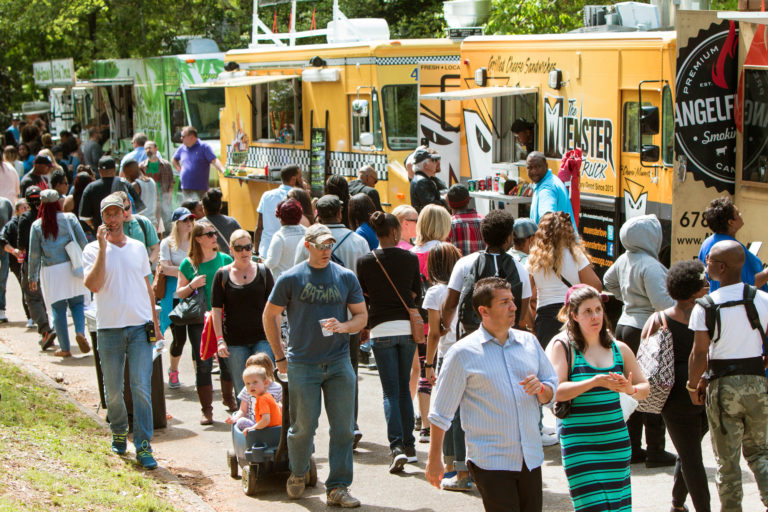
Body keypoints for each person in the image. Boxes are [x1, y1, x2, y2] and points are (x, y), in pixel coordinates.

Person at [426, 277, 558, 512]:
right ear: (483, 311)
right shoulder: (462, 353)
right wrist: (434, 459)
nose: (514, 307)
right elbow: (440, 412)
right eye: (505, 302)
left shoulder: (529, 342)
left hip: (530, 457)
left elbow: (551, 388)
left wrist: (542, 389)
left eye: (513, 301)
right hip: (491, 460)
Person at [263, 223, 367, 507]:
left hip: (338, 362)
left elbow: (361, 316)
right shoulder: (291, 278)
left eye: (329, 245)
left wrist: (344, 326)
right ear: (307, 245)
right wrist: (280, 356)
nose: (326, 251)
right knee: (303, 427)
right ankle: (298, 472)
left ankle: (338, 487)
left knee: (344, 429)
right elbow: (269, 316)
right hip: (302, 364)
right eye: (320, 245)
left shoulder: (345, 277)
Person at [547, 284, 649, 512]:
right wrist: (594, 382)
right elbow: (556, 391)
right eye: (587, 311)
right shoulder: (563, 346)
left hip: (615, 442)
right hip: (579, 444)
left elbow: (644, 387)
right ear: (574, 315)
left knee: (617, 507)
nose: (595, 316)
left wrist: (628, 389)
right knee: (592, 507)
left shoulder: (619, 348)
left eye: (598, 310)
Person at [82, 193, 162, 470]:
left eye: (117, 213)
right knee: (113, 391)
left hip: (140, 328)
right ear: (102, 219)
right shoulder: (92, 250)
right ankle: (118, 429)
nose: (112, 219)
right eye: (107, 215)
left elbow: (147, 286)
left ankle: (143, 445)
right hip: (109, 329)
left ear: (125, 215)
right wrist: (104, 249)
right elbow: (93, 285)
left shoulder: (138, 247)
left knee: (141, 388)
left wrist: (156, 324)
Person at [688, 240, 768, 512]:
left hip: (722, 388)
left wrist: (692, 385)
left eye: (709, 260)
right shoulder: (763, 299)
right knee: (760, 453)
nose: (705, 264)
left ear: (721, 268)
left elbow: (699, 354)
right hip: (757, 383)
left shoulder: (706, 306)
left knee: (727, 462)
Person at [293, 194, 370, 446]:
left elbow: (297, 279)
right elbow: (365, 282)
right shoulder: (357, 241)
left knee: (312, 375)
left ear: (317, 213)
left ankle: (310, 430)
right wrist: (363, 320)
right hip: (348, 320)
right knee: (348, 373)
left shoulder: (306, 244)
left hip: (313, 323)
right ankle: (350, 423)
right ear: (340, 213)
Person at [604, 213, 676, 466]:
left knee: (631, 388)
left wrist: (627, 299)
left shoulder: (625, 259)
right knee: (654, 387)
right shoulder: (651, 265)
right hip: (646, 330)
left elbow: (607, 281)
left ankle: (634, 447)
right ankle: (656, 449)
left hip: (624, 326)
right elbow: (663, 303)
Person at [641, 260, 711, 512]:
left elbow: (646, 354)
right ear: (695, 291)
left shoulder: (659, 319)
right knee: (691, 456)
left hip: (673, 397)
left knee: (688, 451)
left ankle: (677, 504)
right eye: (704, 284)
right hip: (704, 390)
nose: (708, 286)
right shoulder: (708, 316)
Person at [356, 212, 422, 473]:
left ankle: (395, 447)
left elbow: (363, 295)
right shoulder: (410, 258)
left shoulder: (365, 261)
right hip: (406, 327)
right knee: (405, 389)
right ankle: (409, 445)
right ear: (395, 232)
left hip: (380, 329)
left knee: (389, 391)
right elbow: (416, 291)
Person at [176, 219, 234, 424]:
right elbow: (179, 292)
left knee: (227, 361)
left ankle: (229, 399)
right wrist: (192, 285)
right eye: (209, 234)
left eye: (214, 233)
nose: (214, 237)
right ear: (198, 239)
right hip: (199, 320)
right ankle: (206, 410)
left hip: (223, 317)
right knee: (203, 364)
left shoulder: (225, 259)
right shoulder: (188, 263)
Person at [422, 241, 467, 491]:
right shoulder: (465, 287)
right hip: (469, 351)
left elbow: (434, 334)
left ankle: (456, 470)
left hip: (447, 355)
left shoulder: (435, 293)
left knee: (446, 412)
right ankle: (461, 468)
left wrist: (428, 364)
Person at [212, 229, 275, 398]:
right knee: (244, 390)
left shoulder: (263, 271)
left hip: (263, 337)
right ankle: (246, 422)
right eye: (239, 248)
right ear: (231, 250)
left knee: (266, 385)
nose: (244, 252)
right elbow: (216, 311)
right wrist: (220, 341)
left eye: (247, 247)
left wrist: (278, 338)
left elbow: (273, 308)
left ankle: (268, 423)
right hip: (235, 341)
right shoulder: (222, 275)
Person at [27, 189, 90, 357]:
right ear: (58, 202)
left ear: (41, 204)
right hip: (73, 267)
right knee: (77, 304)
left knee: (58, 309)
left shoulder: (37, 225)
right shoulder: (70, 218)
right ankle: (80, 332)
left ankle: (65, 348)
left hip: (51, 271)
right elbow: (83, 242)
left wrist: (32, 277)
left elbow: (34, 254)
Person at [409, 203, 452, 442]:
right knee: (435, 373)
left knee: (420, 371)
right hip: (440, 322)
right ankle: (431, 425)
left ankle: (422, 420)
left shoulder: (411, 254)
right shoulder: (446, 251)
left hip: (415, 321)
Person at [527, 211, 601, 348]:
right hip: (572, 313)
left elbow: (525, 294)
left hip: (545, 319)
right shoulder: (575, 255)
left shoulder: (534, 258)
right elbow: (596, 286)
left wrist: (531, 323)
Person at [698, 196, 768, 291]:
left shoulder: (707, 243)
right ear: (731, 222)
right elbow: (750, 285)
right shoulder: (733, 248)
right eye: (738, 213)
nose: (741, 214)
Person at [158, 207, 194, 388]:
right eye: (185, 221)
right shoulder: (167, 243)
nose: (189, 224)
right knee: (180, 338)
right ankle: (173, 370)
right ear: (177, 223)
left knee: (196, 338)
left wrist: (177, 269)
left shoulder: (197, 241)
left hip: (195, 296)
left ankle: (201, 377)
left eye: (190, 220)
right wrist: (188, 271)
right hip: (173, 297)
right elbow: (164, 268)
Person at [17, 186, 56, 348]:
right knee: (54, 298)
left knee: (33, 297)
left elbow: (21, 246)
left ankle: (45, 329)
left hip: (32, 263)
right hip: (51, 261)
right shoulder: (49, 216)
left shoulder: (25, 218)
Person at [79, 156, 144, 230]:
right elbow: (140, 210)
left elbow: (85, 217)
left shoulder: (91, 188)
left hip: (103, 234)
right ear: (114, 169)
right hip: (126, 232)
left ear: (99, 171)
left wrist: (97, 226)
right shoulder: (125, 184)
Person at [255, 164, 302, 257]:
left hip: (266, 250)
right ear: (293, 179)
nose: (302, 180)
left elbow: (259, 226)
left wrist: (255, 250)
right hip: (289, 253)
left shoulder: (266, 195)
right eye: (300, 177)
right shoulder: (298, 197)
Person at [526, 151, 577, 231]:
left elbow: (548, 220)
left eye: (537, 167)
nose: (533, 171)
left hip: (558, 242)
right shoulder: (550, 180)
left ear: (546, 166)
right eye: (530, 168)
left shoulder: (546, 189)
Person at [172, 126, 225, 202]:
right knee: (189, 211)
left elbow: (214, 160)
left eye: (183, 136)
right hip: (186, 187)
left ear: (192, 137)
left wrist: (223, 170)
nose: (181, 138)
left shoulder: (204, 147)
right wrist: (179, 169)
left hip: (200, 188)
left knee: (200, 209)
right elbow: (174, 159)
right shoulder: (182, 148)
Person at [1, 199, 32, 325]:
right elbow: (2, 239)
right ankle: (30, 316)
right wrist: (14, 251)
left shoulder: (31, 220)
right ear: (17, 211)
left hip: (32, 259)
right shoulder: (11, 225)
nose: (25, 210)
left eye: (27, 207)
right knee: (25, 287)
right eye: (23, 208)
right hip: (17, 262)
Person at [225, 366, 282, 433]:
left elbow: (266, 420)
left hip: (268, 430)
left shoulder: (263, 399)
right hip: (274, 428)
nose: (251, 386)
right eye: (248, 383)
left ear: (266, 383)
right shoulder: (267, 396)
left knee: (241, 422)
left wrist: (251, 428)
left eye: (255, 382)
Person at [264, 199, 306, 280]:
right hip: (302, 280)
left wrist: (262, 263)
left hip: (283, 283)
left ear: (280, 217)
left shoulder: (279, 237)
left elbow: (272, 263)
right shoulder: (308, 232)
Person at [113, 192, 159, 264]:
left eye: (127, 208)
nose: (126, 213)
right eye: (122, 211)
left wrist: (148, 264)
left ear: (130, 204)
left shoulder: (143, 221)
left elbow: (156, 249)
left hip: (144, 274)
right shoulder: (113, 228)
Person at [139, 140, 175, 234]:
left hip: (163, 197)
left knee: (167, 221)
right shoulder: (142, 166)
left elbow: (172, 181)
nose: (148, 150)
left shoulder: (165, 165)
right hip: (150, 200)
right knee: (153, 222)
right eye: (146, 148)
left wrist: (169, 195)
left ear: (156, 149)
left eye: (150, 148)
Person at [446, 183, 484, 256]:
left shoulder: (448, 224)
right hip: (482, 266)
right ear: (468, 200)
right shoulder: (484, 221)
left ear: (449, 203)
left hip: (457, 266)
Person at [123, 159, 159, 232]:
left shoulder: (135, 185)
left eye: (125, 173)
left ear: (130, 171)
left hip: (141, 225)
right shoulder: (152, 181)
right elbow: (158, 204)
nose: (125, 176)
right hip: (153, 223)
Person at [201, 188, 240, 255]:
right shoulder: (232, 222)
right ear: (221, 206)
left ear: (203, 208)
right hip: (229, 262)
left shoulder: (198, 225)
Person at [410, 148, 446, 212]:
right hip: (428, 220)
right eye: (433, 160)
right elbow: (432, 206)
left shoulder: (422, 179)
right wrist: (445, 199)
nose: (436, 163)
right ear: (425, 165)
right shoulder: (422, 182)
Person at [63, 171, 95, 240]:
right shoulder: (93, 198)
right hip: (91, 233)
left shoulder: (70, 199)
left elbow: (66, 219)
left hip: (75, 234)